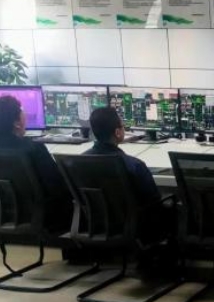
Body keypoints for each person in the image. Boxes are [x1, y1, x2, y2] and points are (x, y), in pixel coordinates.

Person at [84, 107, 172, 247]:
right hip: (135, 227)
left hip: (97, 225)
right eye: (123, 126)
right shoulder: (134, 165)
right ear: (118, 133)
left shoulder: (79, 161)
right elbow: (154, 199)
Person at [0, 95, 72, 229]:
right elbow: (58, 186)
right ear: (16, 123)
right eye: (22, 113)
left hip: (6, 216)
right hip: (43, 218)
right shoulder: (34, 149)